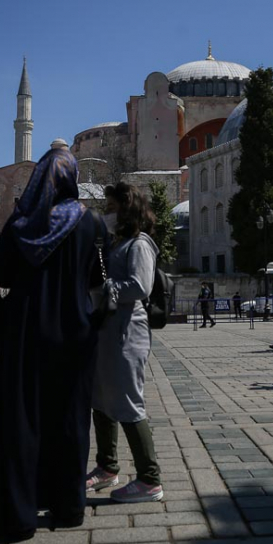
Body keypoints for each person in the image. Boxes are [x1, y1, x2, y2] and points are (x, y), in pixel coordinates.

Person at [0, 148, 106, 542]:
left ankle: (18, 514)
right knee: (70, 419)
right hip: (74, 331)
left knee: (22, 419)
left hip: (24, 333)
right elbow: (95, 279)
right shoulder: (90, 222)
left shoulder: (22, 222)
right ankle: (69, 507)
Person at [85, 182, 164, 503]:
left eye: (111, 207)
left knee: (128, 401)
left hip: (127, 334)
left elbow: (139, 286)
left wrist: (102, 287)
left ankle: (149, 479)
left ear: (125, 209)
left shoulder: (140, 244)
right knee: (101, 399)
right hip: (107, 332)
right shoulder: (117, 243)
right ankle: (107, 467)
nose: (107, 213)